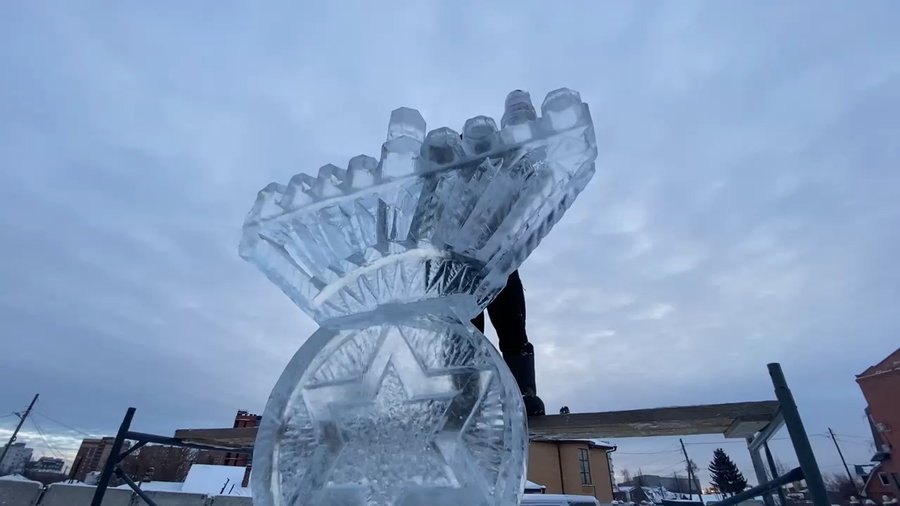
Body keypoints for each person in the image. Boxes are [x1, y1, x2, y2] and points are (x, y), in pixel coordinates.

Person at [472, 270, 545, 416]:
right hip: (453, 260)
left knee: (513, 331)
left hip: (498, 260)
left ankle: (523, 395)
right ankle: (465, 400)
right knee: (464, 339)